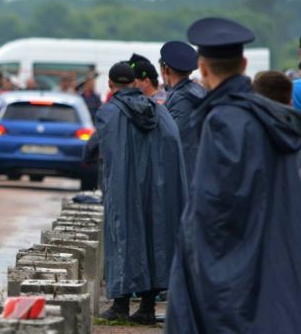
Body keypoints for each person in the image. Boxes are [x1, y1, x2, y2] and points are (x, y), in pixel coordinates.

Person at [166, 18, 301, 333]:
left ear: (202, 66)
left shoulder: (224, 120)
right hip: (278, 258)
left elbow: (214, 212)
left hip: (232, 275)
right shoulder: (273, 117)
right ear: (243, 64)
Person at [96, 62, 187, 325]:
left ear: (111, 84)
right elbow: (172, 146)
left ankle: (120, 305)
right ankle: (147, 307)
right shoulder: (160, 112)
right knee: (154, 240)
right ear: (136, 82)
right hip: (157, 189)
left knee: (122, 238)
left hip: (124, 187)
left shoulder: (109, 112)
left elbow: (105, 150)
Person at [159, 41, 206, 185]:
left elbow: (171, 139)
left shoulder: (182, 99)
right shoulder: (197, 92)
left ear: (165, 70)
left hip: (184, 175)